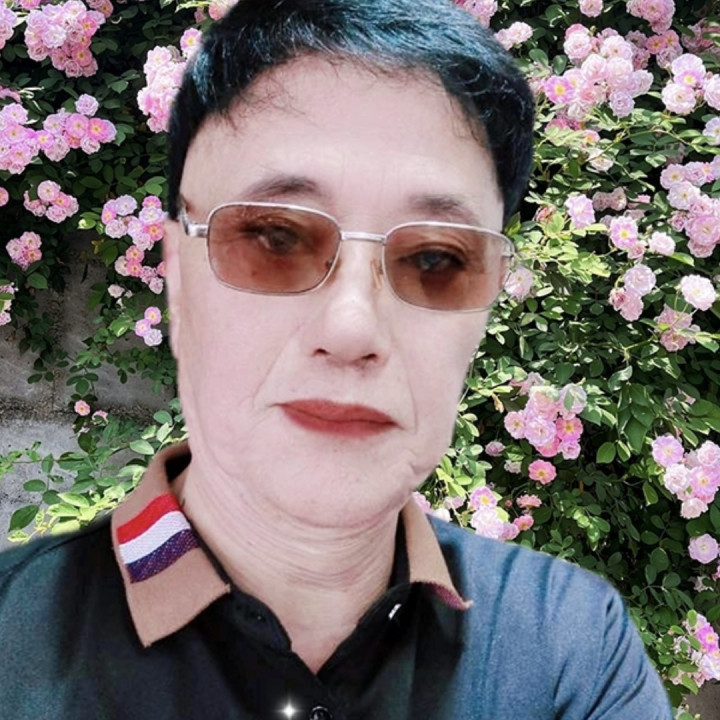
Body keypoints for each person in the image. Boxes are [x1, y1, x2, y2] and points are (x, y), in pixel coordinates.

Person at [0, 1, 673, 718]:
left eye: (437, 258)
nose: (353, 327)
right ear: (175, 273)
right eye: (274, 237)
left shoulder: (571, 652)